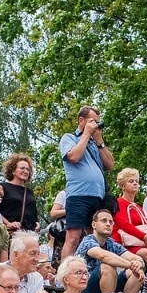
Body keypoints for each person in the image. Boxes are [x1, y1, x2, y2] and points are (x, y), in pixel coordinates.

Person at [58, 106, 114, 258]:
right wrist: (86, 134)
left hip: (97, 196)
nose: (96, 125)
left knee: (95, 238)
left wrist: (100, 142)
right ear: (81, 121)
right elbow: (74, 157)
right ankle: (65, 271)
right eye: (92, 121)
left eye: (97, 122)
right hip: (78, 195)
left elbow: (110, 165)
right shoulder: (69, 138)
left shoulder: (94, 144)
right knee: (73, 237)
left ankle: (92, 268)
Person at [78, 206, 144, 293]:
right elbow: (104, 256)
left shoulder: (111, 243)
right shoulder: (88, 241)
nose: (108, 224)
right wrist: (131, 265)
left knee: (136, 273)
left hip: (107, 285)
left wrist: (138, 263)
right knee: (108, 266)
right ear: (94, 225)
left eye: (111, 222)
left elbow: (137, 258)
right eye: (104, 221)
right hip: (84, 286)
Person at [111, 167, 147, 262]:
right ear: (123, 186)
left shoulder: (138, 207)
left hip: (138, 242)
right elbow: (124, 225)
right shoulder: (119, 202)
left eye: (136, 181)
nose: (135, 183)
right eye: (131, 181)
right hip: (123, 244)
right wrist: (144, 237)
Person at [0, 153, 40, 233]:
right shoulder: (2, 187)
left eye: (28, 169)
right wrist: (7, 223)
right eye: (22, 168)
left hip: (29, 233)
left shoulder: (29, 192)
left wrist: (37, 223)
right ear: (13, 171)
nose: (25, 171)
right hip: (11, 232)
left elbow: (33, 213)